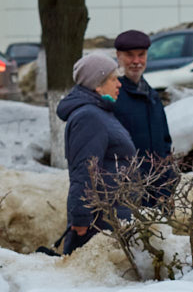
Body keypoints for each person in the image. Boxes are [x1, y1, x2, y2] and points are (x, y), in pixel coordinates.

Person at [55, 53, 136, 254]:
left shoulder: (101, 112)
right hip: (100, 222)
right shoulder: (89, 117)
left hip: (114, 214)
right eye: (113, 79)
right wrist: (81, 219)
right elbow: (84, 170)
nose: (119, 84)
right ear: (97, 85)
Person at [111, 29, 176, 205]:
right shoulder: (113, 96)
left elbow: (165, 141)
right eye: (130, 55)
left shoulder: (151, 95)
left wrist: (168, 177)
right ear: (118, 56)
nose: (136, 61)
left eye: (141, 55)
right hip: (127, 192)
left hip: (158, 190)